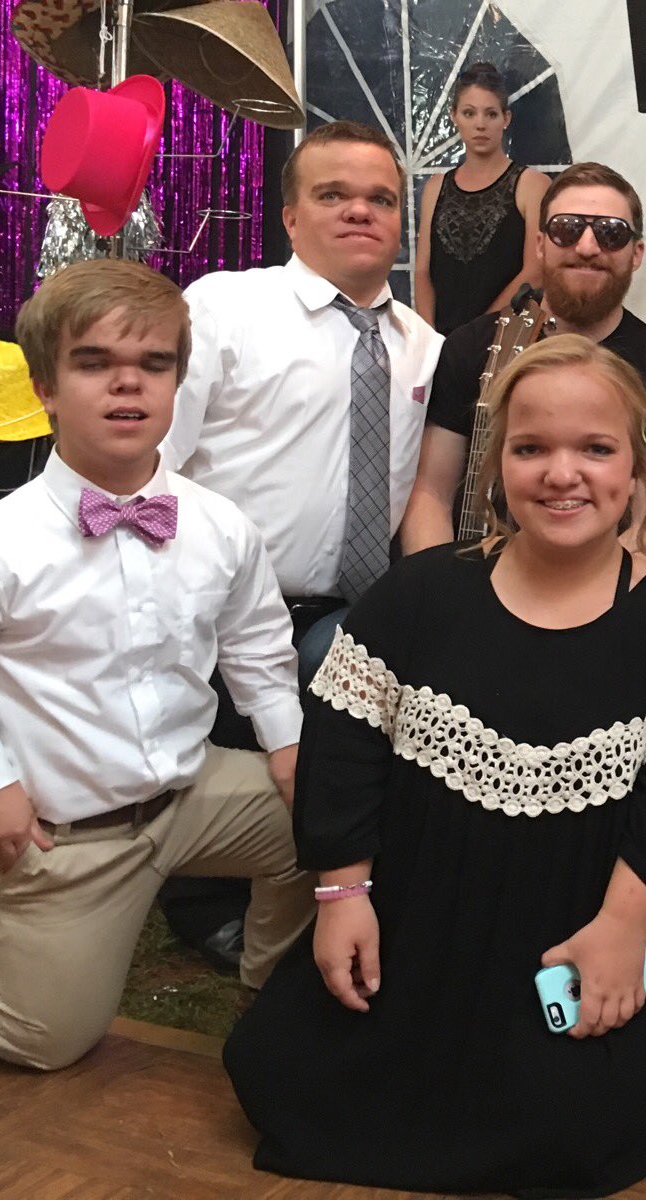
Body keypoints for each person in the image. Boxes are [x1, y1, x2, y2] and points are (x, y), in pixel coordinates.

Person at [223, 334, 646, 1197]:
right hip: (412, 928)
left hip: (567, 941)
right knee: (291, 1083)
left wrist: (623, 929)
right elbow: (343, 750)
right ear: (497, 465)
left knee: (572, 1139)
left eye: (595, 449)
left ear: (637, 471)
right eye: (532, 449)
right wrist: (342, 895)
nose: (562, 473)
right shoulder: (419, 594)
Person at [0, 261, 307, 1069]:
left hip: (192, 793)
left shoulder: (222, 525)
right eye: (95, 363)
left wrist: (292, 745)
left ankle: (273, 993)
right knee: (44, 1039)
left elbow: (258, 647)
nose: (128, 384)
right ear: (45, 387)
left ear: (177, 379)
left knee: (332, 813)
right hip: (65, 831)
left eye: (154, 363)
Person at [159, 119, 442, 970]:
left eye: (381, 199)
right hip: (223, 604)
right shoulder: (223, 308)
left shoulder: (422, 346)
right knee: (226, 766)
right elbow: (156, 459)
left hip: (349, 608)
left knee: (325, 768)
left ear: (401, 223)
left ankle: (316, 902)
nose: (360, 211)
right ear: (290, 216)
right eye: (333, 195)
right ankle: (202, 905)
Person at [402, 162, 646, 553]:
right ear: (540, 245)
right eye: (567, 229)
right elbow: (432, 493)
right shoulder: (469, 348)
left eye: (611, 233)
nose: (587, 247)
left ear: (636, 254)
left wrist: (579, 586)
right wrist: (439, 585)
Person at [411, 61, 552, 334]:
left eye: (490, 114)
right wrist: (429, 336)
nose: (480, 124)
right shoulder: (435, 187)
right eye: (469, 113)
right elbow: (422, 271)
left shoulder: (532, 184)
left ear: (506, 119)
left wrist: (477, 334)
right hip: (441, 341)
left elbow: (535, 273)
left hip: (507, 339)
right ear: (454, 116)